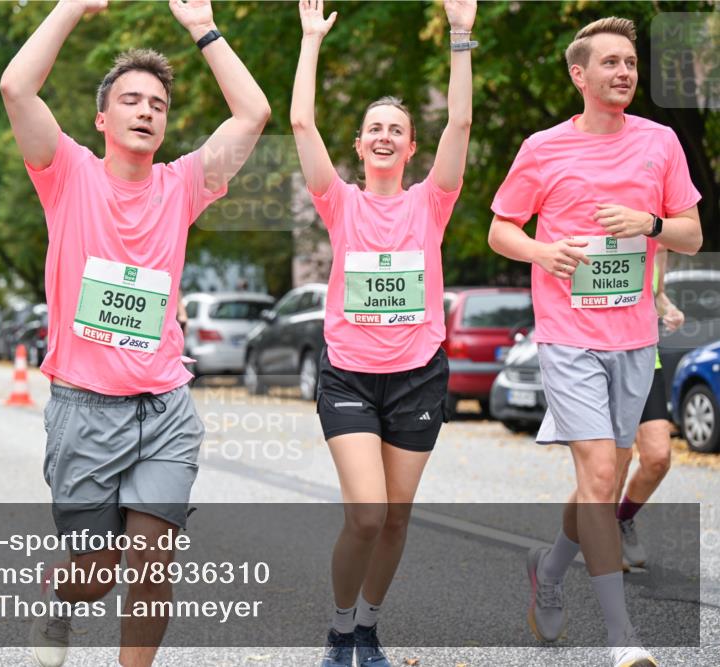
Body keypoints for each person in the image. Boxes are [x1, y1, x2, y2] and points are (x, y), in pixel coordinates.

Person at [0, 0, 269, 664]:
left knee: (153, 561)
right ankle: (60, 601)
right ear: (102, 118)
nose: (147, 110)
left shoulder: (182, 186)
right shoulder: (66, 174)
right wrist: (70, 7)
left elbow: (253, 114)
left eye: (158, 103)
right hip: (84, 410)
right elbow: (15, 86)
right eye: (131, 100)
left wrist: (202, 28)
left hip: (165, 408)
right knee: (95, 575)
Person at [488, 16, 702, 667]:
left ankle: (549, 570)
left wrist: (652, 221)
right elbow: (501, 230)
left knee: (598, 489)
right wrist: (543, 251)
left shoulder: (661, 142)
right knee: (602, 474)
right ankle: (622, 639)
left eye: (630, 63)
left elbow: (689, 233)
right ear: (579, 74)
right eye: (609, 62)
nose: (624, 72)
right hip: (569, 336)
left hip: (634, 338)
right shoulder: (544, 147)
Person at [290, 0, 474, 664]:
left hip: (418, 374)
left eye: (397, 127)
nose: (387, 135)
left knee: (397, 517)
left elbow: (461, 119)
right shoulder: (339, 201)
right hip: (350, 376)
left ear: (411, 145)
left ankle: (367, 626)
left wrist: (459, 33)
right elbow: (301, 121)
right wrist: (311, 41)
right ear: (361, 144)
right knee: (366, 514)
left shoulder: (433, 200)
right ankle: (339, 629)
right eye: (375, 127)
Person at [614, 248, 684, 569]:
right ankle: (599, 535)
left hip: (645, 359)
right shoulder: (597, 226)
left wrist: (669, 309)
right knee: (617, 458)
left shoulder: (658, 242)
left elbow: (656, 294)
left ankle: (622, 518)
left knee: (658, 457)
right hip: (601, 357)